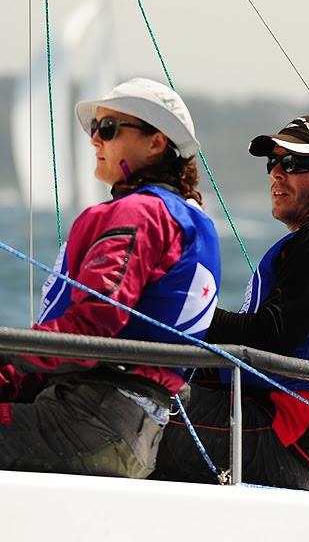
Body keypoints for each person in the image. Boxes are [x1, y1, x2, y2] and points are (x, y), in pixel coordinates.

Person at [152, 115, 309, 491]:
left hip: (280, 434)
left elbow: (271, 336)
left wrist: (172, 311)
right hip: (290, 436)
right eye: (273, 162)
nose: (277, 174)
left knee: (113, 404)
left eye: (296, 164)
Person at [0, 78, 221, 478]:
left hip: (91, 420)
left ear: (156, 142)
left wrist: (9, 355)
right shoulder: (193, 221)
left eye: (108, 128)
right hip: (134, 430)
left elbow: (94, 327)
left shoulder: (139, 213)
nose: (95, 141)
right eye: (93, 130)